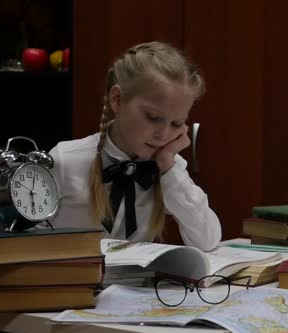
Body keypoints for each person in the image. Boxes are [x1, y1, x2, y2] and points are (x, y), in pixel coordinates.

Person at [46, 42, 221, 252]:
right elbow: (25, 243)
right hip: (72, 283)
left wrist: (169, 167)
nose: (163, 134)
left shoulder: (168, 167)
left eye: (176, 124)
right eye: (153, 117)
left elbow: (207, 240)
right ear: (117, 100)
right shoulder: (65, 159)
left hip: (137, 284)